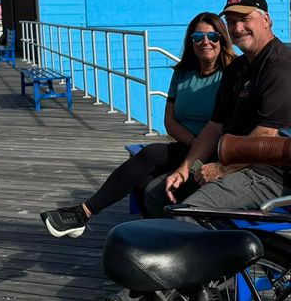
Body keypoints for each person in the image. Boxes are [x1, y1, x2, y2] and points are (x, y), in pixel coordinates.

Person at [61, 0, 291, 301]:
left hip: (267, 173)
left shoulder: (279, 67)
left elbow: (267, 139)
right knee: (157, 193)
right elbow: (215, 127)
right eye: (231, 21)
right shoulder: (242, 67)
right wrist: (187, 165)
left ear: (266, 19)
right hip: (239, 164)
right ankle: (195, 278)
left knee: (188, 210)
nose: (237, 27)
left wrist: (221, 169)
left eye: (244, 18)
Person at [40, 12, 238, 239]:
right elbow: (169, 121)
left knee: (150, 162)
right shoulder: (183, 73)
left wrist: (202, 148)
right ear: (190, 41)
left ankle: (83, 213)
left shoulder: (231, 74)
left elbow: (227, 126)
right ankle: (155, 236)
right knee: (143, 177)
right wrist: (194, 143)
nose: (206, 42)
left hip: (214, 153)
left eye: (213, 36)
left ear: (222, 39)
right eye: (198, 37)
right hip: (188, 144)